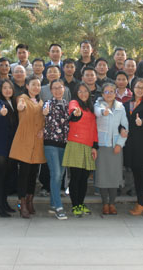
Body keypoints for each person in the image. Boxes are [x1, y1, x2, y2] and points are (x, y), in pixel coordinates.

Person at [9, 76, 46, 218]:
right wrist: (21, 106)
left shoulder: (41, 102)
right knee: (24, 174)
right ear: (27, 86)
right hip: (25, 141)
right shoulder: (22, 98)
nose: (36, 87)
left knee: (33, 174)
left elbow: (44, 120)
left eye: (38, 85)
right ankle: (22, 203)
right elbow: (20, 106)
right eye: (33, 84)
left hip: (37, 143)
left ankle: (30, 200)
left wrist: (43, 129)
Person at [63, 83, 98, 217]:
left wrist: (95, 146)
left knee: (84, 177)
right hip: (75, 143)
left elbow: (94, 128)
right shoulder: (74, 103)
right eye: (80, 91)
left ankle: (81, 203)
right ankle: (75, 205)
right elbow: (73, 112)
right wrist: (75, 114)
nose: (83, 94)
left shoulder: (90, 107)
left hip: (88, 146)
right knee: (76, 176)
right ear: (76, 93)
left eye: (85, 91)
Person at [94, 82, 129, 215]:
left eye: (111, 92)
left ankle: (112, 203)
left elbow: (125, 127)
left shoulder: (120, 107)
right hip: (102, 146)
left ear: (115, 93)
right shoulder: (98, 105)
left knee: (114, 176)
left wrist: (120, 144)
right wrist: (104, 112)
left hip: (115, 146)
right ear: (102, 94)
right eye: (106, 92)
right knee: (103, 176)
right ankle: (105, 203)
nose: (109, 94)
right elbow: (97, 113)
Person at [123, 79, 143, 216]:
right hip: (129, 144)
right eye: (137, 87)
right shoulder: (126, 104)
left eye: (142, 88)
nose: (140, 90)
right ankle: (139, 201)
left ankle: (141, 202)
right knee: (135, 173)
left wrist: (142, 121)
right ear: (132, 88)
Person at [42, 78, 71, 220]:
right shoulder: (47, 103)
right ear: (51, 90)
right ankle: (59, 207)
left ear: (64, 89)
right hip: (51, 143)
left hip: (64, 144)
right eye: (55, 88)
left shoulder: (68, 105)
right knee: (56, 173)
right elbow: (43, 113)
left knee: (60, 175)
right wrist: (44, 112)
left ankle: (53, 203)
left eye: (60, 87)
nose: (58, 90)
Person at [0, 79, 19, 217]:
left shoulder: (14, 103)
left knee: (8, 176)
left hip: (12, 145)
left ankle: (4, 203)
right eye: (4, 88)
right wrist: (1, 111)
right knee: (1, 176)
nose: (7, 90)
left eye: (10, 87)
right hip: (2, 144)